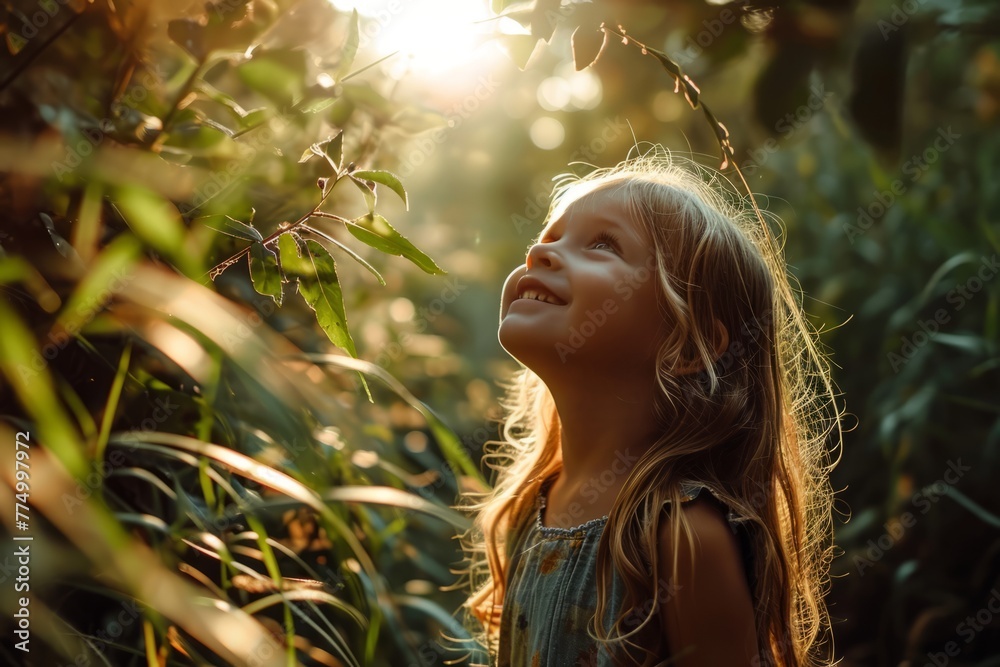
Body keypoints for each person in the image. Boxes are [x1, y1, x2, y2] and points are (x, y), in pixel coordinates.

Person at [458, 147, 843, 666]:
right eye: (549, 237)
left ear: (688, 347)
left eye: (602, 245)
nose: (539, 254)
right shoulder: (534, 503)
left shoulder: (682, 537)